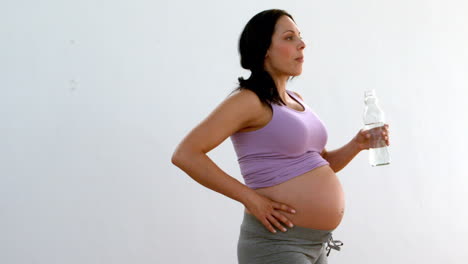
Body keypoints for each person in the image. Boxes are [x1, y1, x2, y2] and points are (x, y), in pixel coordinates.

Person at [171, 9, 390, 264]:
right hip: (276, 244)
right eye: (289, 38)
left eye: (300, 36)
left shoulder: (297, 101)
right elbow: (186, 154)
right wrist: (250, 198)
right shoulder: (248, 100)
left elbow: (318, 164)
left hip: (316, 243)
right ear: (265, 49)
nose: (302, 44)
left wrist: (357, 145)